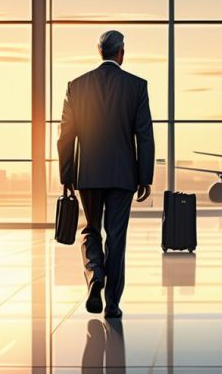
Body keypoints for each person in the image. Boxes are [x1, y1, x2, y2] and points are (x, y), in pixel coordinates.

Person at [59, 30, 154, 319]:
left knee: (90, 229)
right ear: (121, 52)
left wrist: (67, 176)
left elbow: (65, 136)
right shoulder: (136, 86)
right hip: (123, 175)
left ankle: (94, 274)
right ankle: (112, 304)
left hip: (88, 173)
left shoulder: (76, 86)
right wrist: (144, 176)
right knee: (117, 237)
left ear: (100, 52)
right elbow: (144, 136)